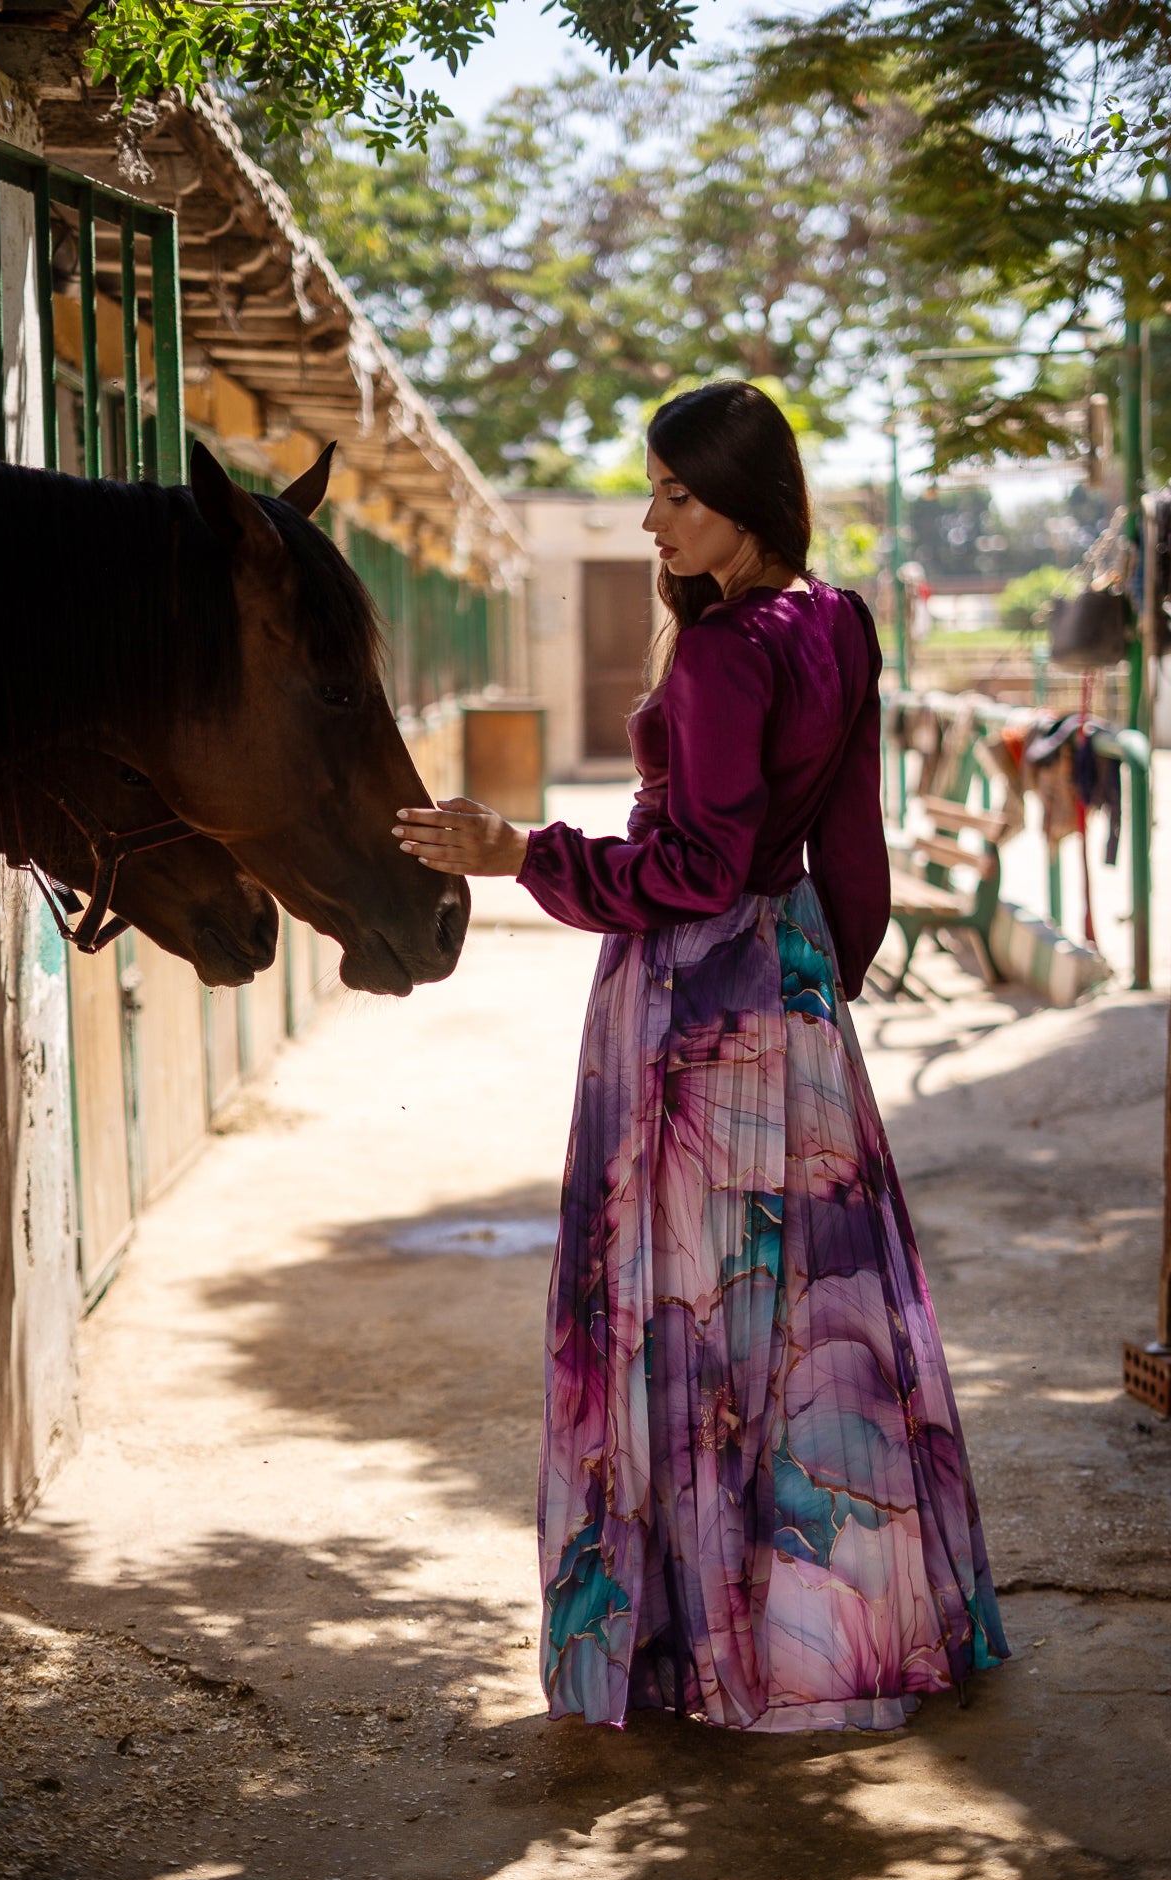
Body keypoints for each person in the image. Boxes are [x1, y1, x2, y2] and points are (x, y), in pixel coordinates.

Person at [394, 381, 1008, 1733]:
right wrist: (820, 997)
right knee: (804, 1311)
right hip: (789, 993)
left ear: (744, 499)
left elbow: (694, 868)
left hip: (693, 1003)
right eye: (652, 492)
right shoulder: (840, 620)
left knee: (690, 1312)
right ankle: (829, 1628)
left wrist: (521, 853)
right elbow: (852, 842)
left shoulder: (729, 652)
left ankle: (706, 1643)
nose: (652, 521)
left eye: (677, 495)